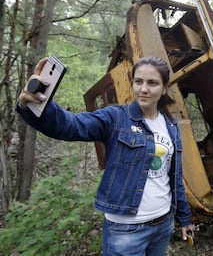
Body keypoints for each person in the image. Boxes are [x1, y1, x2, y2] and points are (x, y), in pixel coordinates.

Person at [16, 56, 194, 255]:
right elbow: (71, 125)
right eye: (138, 82)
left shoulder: (170, 125)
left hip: (163, 224)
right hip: (126, 230)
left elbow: (174, 177)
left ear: (163, 88)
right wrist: (34, 105)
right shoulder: (116, 117)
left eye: (152, 83)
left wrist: (184, 218)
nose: (143, 89)